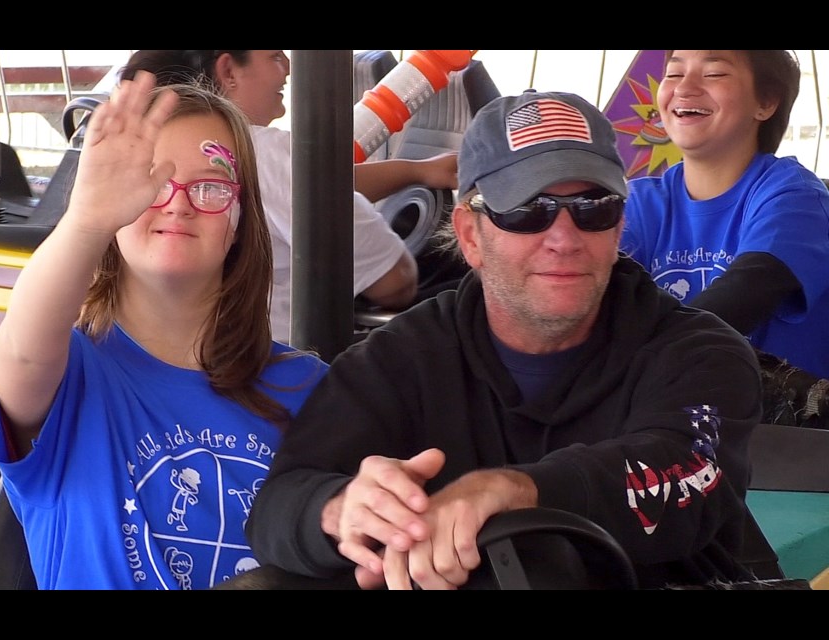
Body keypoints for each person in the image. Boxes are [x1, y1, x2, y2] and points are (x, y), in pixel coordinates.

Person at [245, 90, 764, 590]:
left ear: (618, 227)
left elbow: (688, 472)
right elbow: (280, 503)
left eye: (593, 207)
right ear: (471, 235)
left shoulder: (701, 353)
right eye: (528, 211)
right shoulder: (404, 356)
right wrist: (341, 509)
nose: (563, 239)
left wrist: (515, 492)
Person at [0, 73, 328, 590]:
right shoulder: (68, 376)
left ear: (238, 220)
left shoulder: (309, 387)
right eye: (150, 183)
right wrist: (85, 221)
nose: (178, 202)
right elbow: (24, 354)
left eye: (211, 185)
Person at [119, 50, 461, 344]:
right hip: (268, 357)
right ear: (227, 70)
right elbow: (395, 281)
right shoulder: (267, 151)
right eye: (274, 55)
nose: (287, 67)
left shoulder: (125, 160)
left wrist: (414, 171)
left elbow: (308, 191)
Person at [620, 50, 829, 381]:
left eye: (714, 74)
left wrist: (630, 367)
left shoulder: (793, 194)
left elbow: (751, 287)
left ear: (766, 102)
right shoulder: (639, 202)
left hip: (781, 422)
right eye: (674, 75)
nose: (684, 88)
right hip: (665, 413)